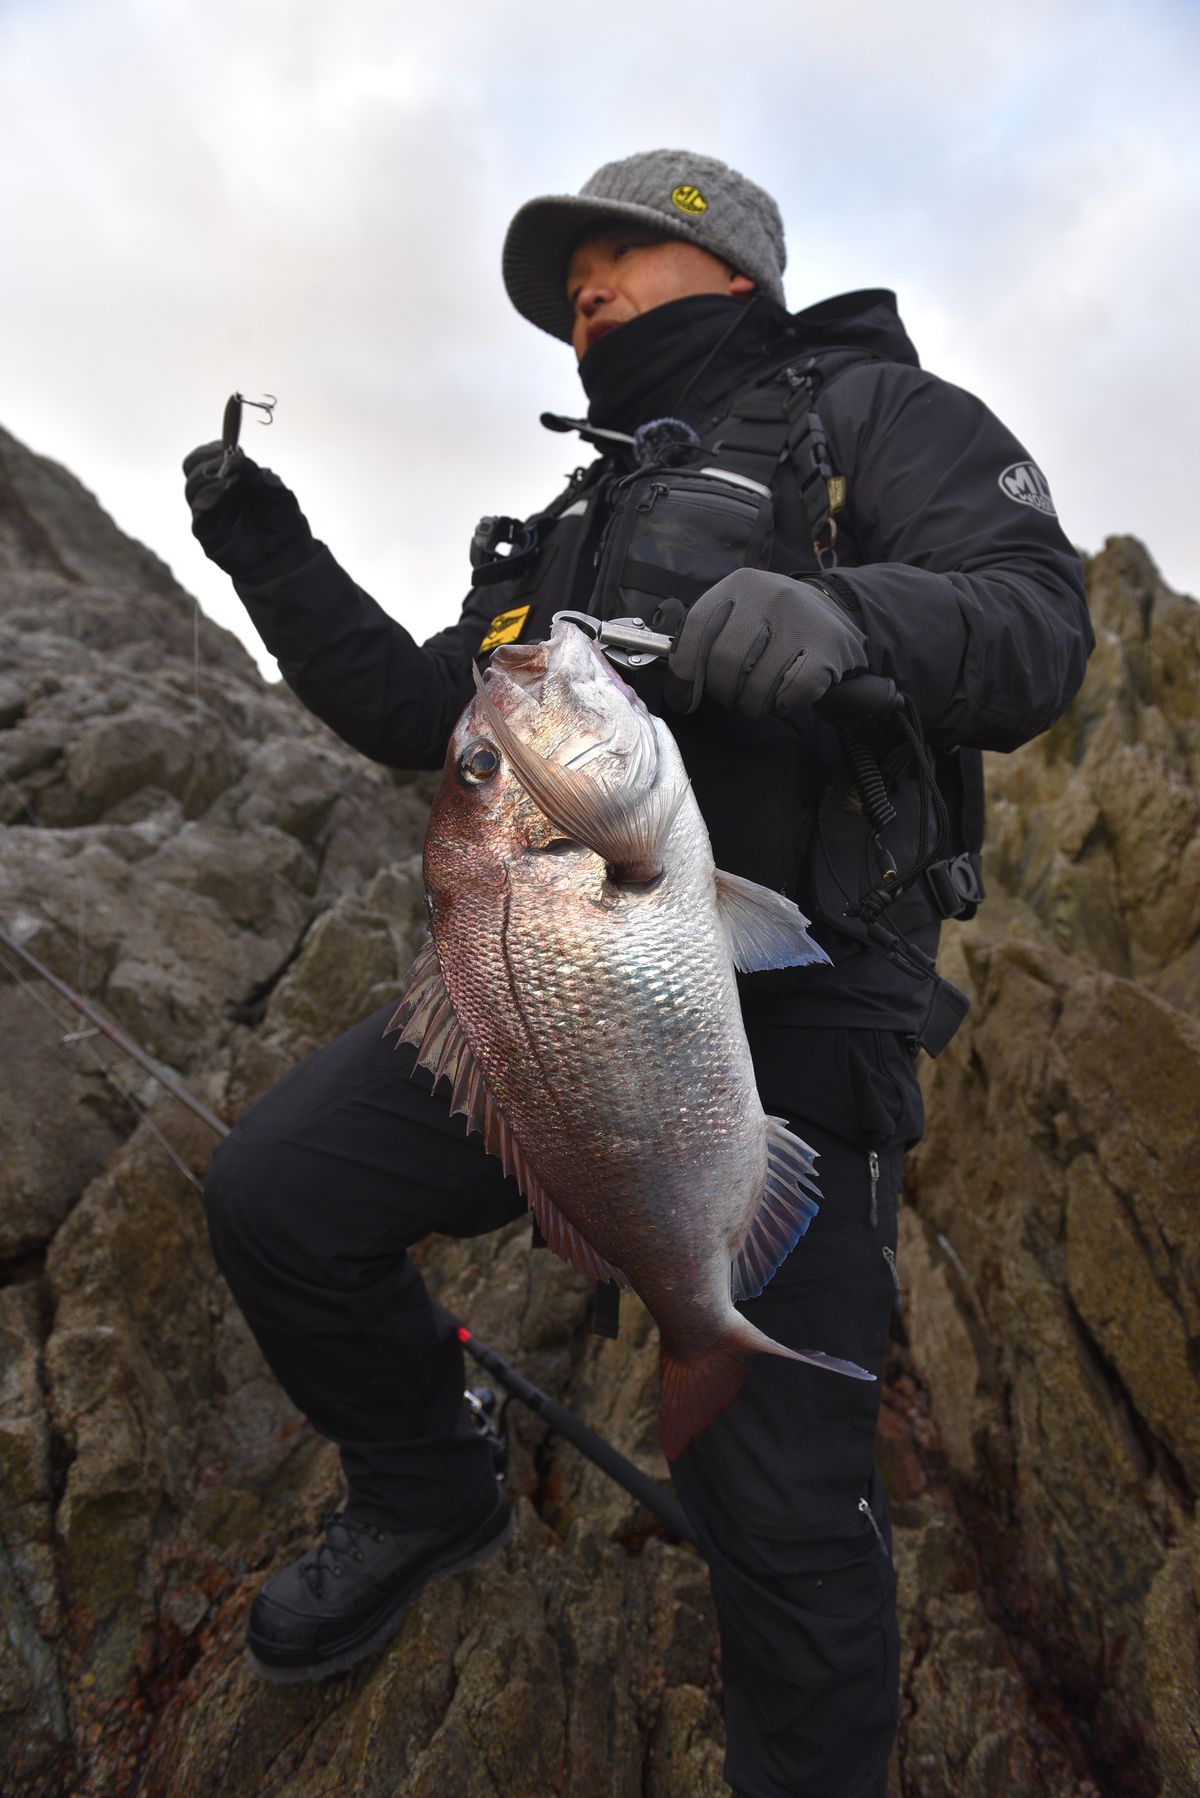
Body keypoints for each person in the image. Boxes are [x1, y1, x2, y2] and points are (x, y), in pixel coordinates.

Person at [184, 150, 1092, 1796]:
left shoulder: (876, 417)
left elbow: (1036, 619)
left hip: (797, 1022)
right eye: (568, 275)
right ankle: (426, 1487)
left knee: (787, 1506)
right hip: (549, 992)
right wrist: (270, 552)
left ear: (733, 269)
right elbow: (421, 713)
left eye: (622, 253)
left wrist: (849, 618)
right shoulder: (568, 520)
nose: (585, 289)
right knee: (274, 1196)